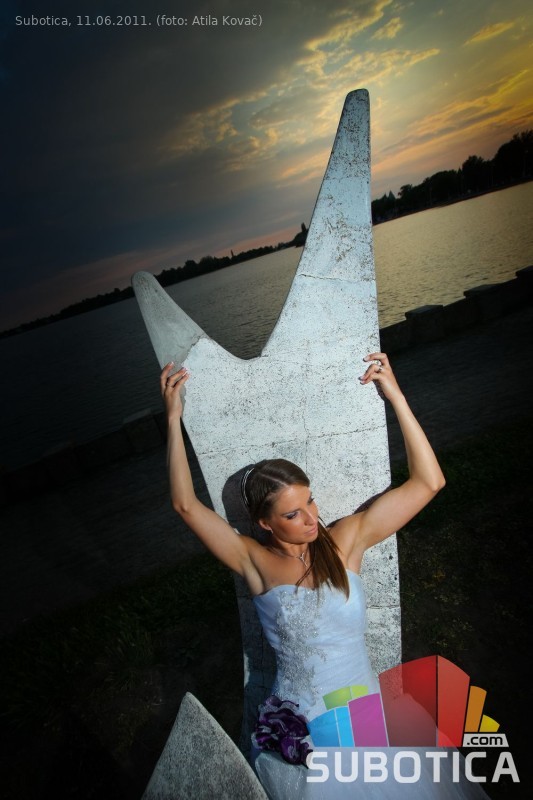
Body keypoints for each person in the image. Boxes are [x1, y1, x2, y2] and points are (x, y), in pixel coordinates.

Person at [161, 355, 491, 799]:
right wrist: (173, 418)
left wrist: (395, 395)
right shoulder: (253, 561)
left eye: (310, 502)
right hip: (304, 728)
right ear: (263, 523)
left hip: (366, 713)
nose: (310, 518)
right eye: (292, 514)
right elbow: (185, 505)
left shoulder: (345, 542)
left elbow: (429, 482)